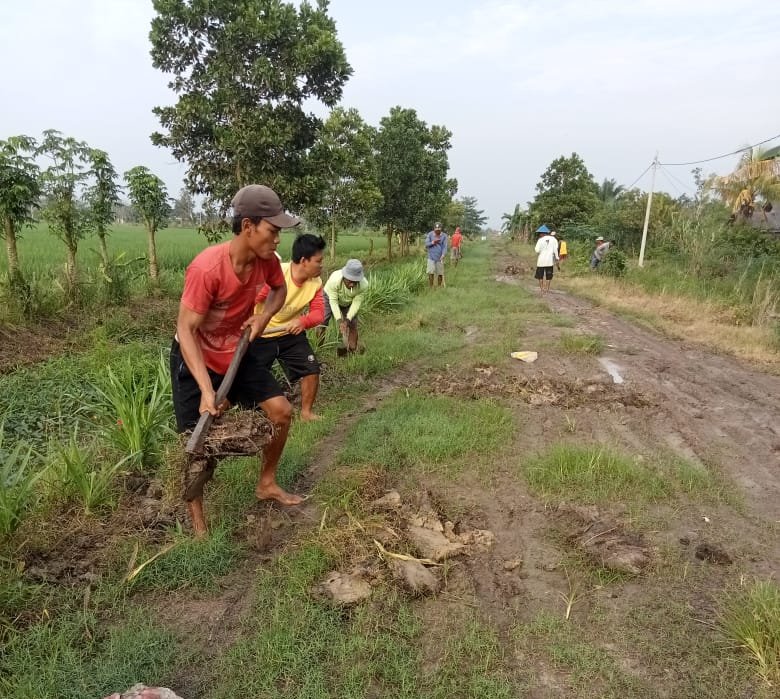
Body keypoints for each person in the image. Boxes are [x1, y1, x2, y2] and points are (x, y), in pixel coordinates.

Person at [170, 184, 303, 537]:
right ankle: (198, 520)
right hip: (195, 354)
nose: (278, 240)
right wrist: (205, 389)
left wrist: (261, 318)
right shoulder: (207, 269)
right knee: (198, 439)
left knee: (281, 411)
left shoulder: (267, 262)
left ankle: (267, 482)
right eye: (273, 230)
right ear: (248, 226)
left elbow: (279, 290)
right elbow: (186, 331)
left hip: (237, 351)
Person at [252, 233, 327, 422]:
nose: (321, 265)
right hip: (262, 335)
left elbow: (318, 313)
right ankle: (251, 414)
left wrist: (302, 322)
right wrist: (251, 324)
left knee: (311, 369)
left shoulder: (315, 283)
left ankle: (306, 413)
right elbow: (252, 300)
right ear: (304, 261)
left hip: (290, 334)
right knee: (250, 376)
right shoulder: (277, 274)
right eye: (318, 261)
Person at [321, 258, 369, 352]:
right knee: (322, 322)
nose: (352, 284)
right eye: (350, 280)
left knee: (352, 324)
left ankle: (352, 350)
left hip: (348, 301)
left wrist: (347, 320)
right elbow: (333, 301)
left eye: (355, 281)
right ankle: (319, 349)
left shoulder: (363, 285)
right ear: (344, 276)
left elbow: (356, 303)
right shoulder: (334, 280)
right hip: (329, 297)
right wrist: (340, 321)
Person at [534, 224, 559, 294]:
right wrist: (557, 258)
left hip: (541, 261)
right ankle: (547, 290)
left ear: (542, 233)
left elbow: (537, 250)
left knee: (540, 276)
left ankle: (542, 289)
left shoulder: (540, 240)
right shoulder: (554, 239)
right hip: (549, 261)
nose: (539, 235)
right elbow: (555, 250)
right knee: (549, 276)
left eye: (539, 233)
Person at [424, 222, 448, 287]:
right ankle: (431, 287)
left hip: (440, 257)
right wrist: (433, 242)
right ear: (434, 228)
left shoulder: (444, 236)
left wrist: (443, 254)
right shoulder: (430, 234)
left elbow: (445, 246)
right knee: (430, 272)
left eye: (439, 229)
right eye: (436, 229)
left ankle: (439, 286)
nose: (437, 230)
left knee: (440, 273)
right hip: (431, 257)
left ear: (441, 229)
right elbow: (426, 244)